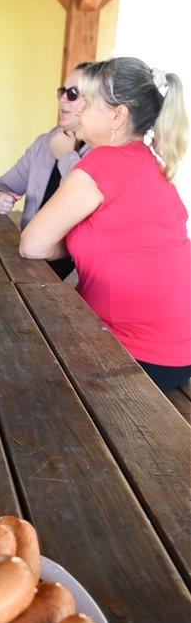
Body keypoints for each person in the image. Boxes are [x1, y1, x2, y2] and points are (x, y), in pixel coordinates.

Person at [20, 57, 190, 391]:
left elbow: (32, 245)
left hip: (133, 355)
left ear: (117, 115)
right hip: (177, 353)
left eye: (88, 101)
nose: (78, 109)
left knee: (13, 345)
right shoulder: (150, 163)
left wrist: (59, 245)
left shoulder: (102, 162)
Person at [0, 63, 91, 279]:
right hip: (29, 257)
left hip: (73, 271)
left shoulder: (100, 153)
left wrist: (66, 155)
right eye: (62, 92)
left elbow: (84, 193)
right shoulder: (45, 143)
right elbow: (3, 185)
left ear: (94, 102)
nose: (62, 100)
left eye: (72, 94)